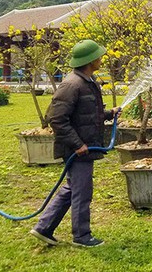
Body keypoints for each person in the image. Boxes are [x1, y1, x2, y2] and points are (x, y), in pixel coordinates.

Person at [30, 39, 120, 248]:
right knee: (82, 191)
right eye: (98, 56)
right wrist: (77, 144)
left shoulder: (87, 81)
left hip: (83, 146)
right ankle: (81, 236)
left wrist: (109, 113)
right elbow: (57, 119)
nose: (101, 58)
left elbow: (86, 114)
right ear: (90, 60)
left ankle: (44, 227)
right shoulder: (72, 84)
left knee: (73, 188)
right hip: (76, 149)